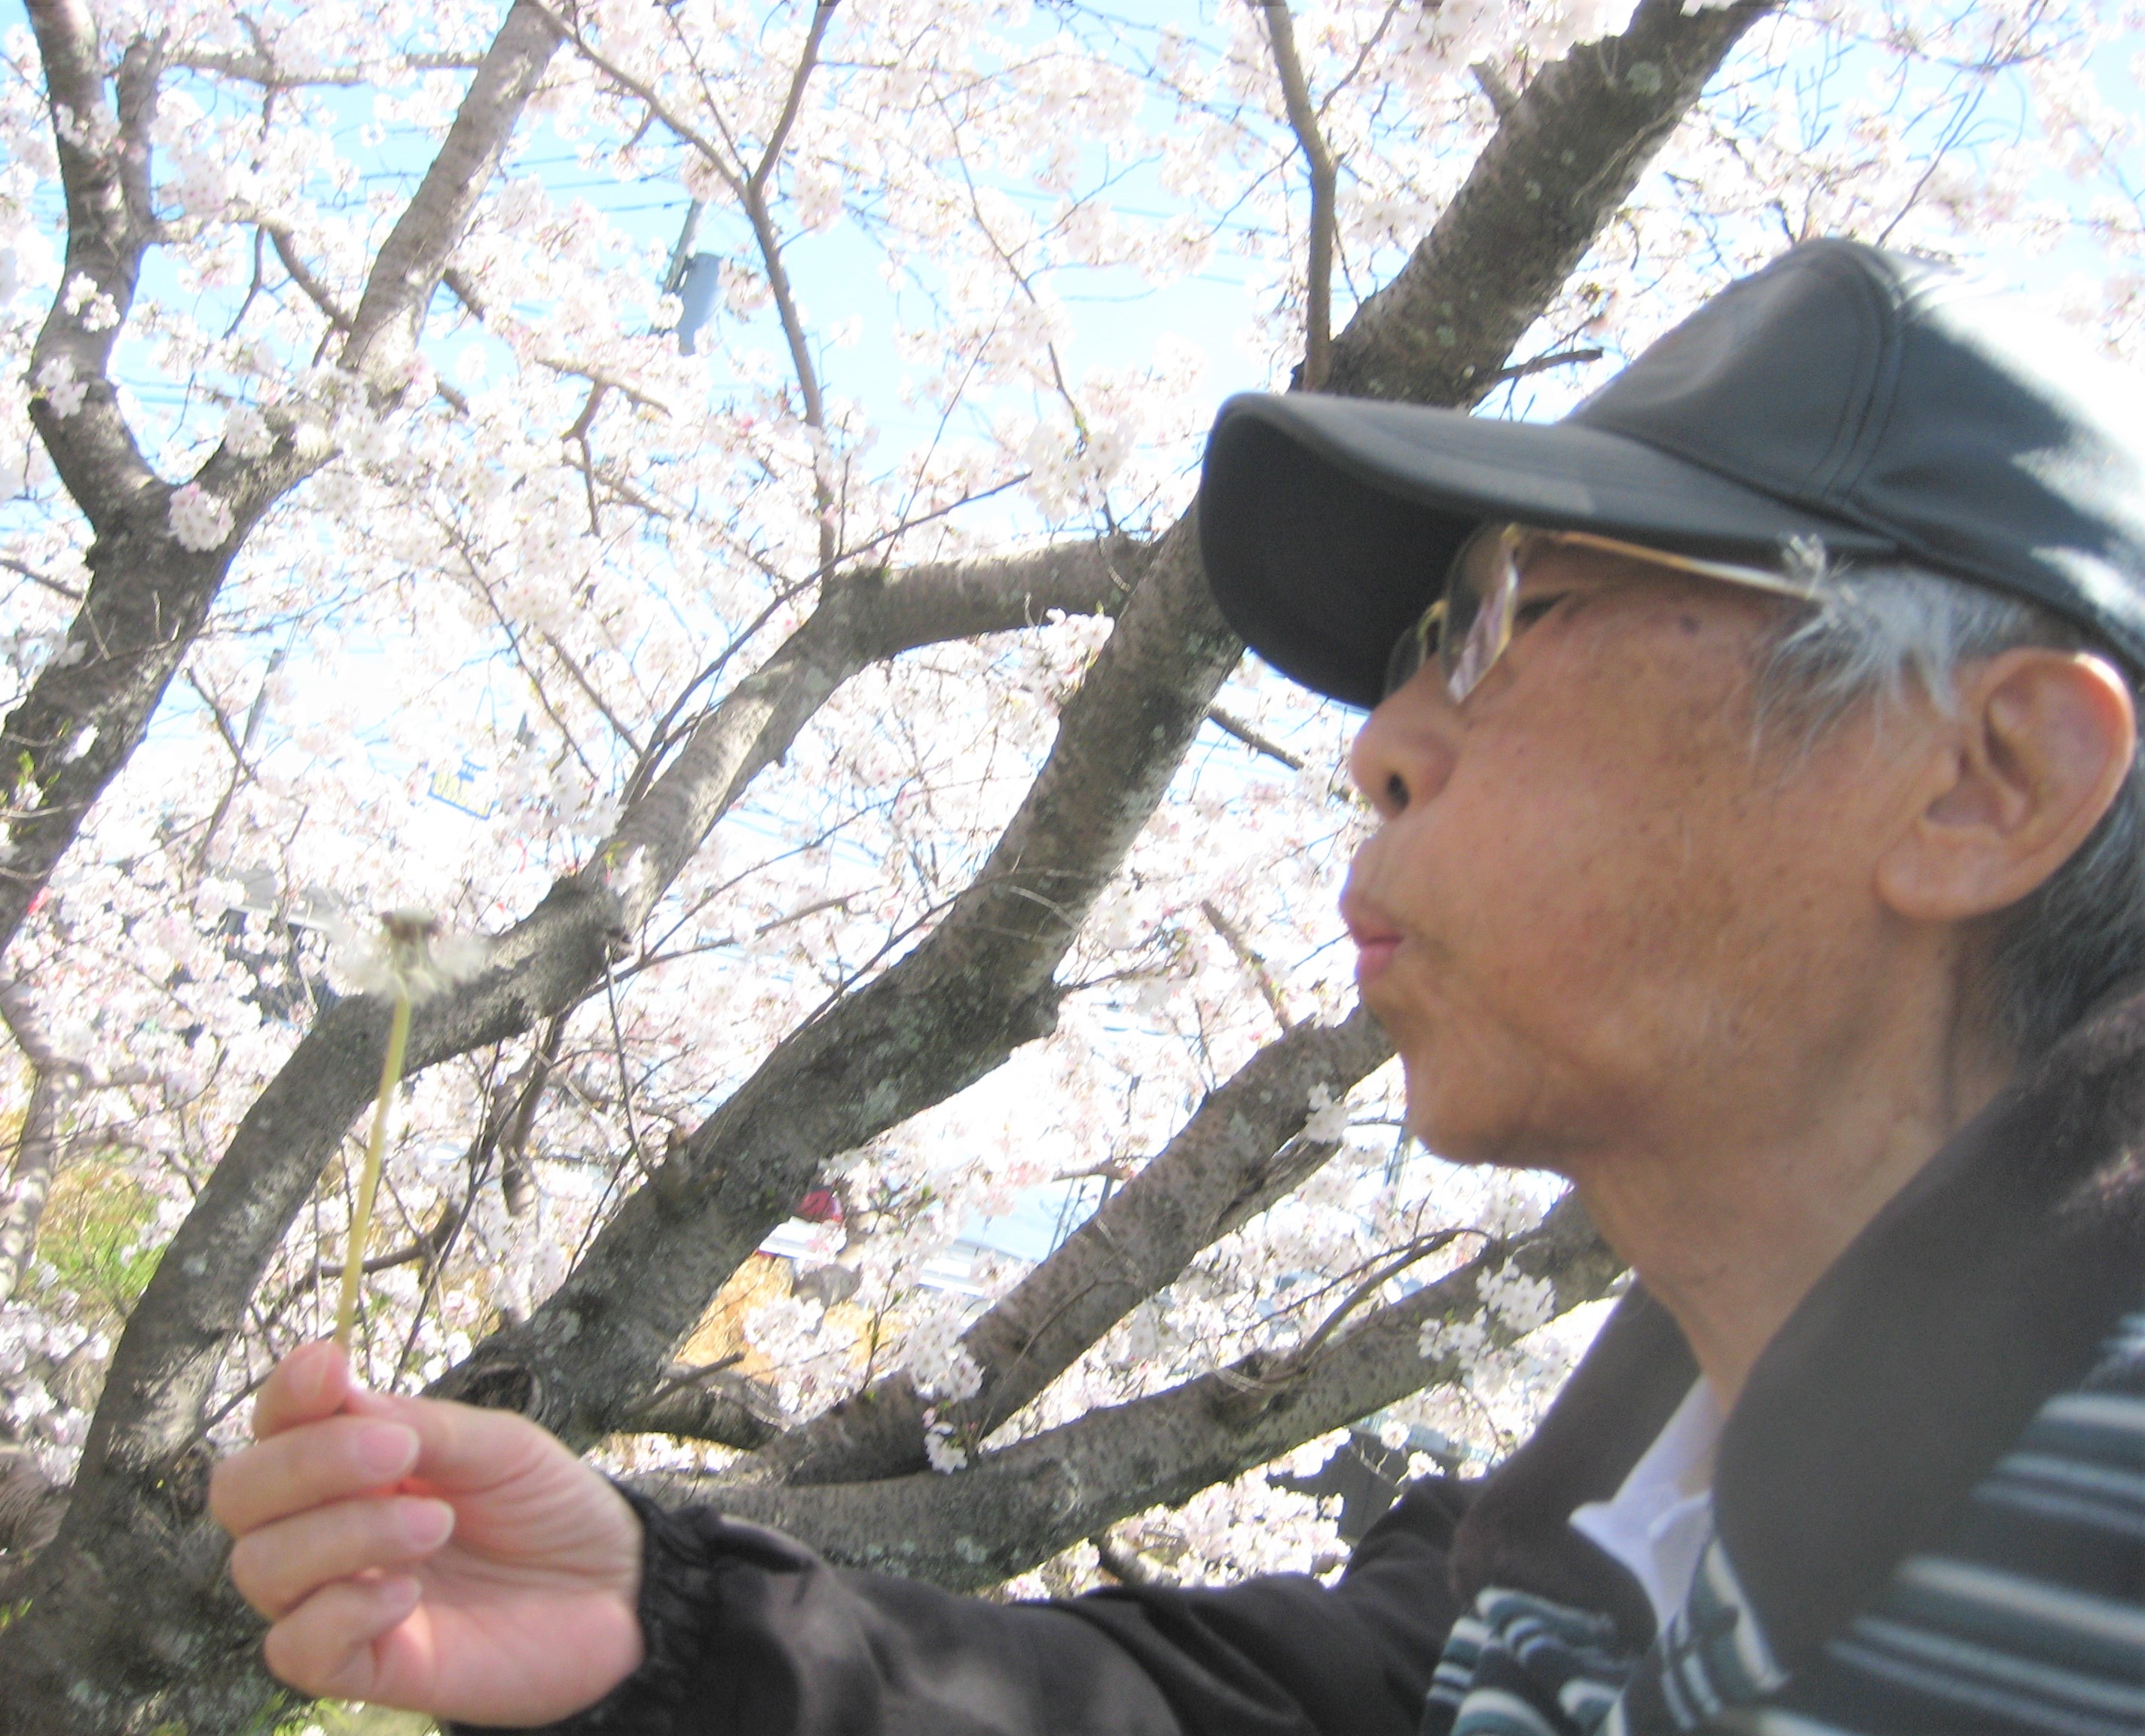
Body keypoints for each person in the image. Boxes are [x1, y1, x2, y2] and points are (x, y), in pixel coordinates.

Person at [211, 239, 2145, 1736]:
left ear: (1988, 781)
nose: (1379, 744)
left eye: (1495, 616)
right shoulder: (1601, 1535)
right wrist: (668, 1635)